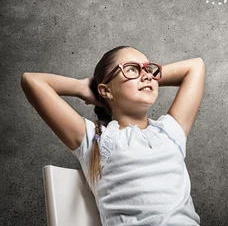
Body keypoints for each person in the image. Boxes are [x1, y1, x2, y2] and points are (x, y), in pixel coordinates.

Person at [21, 46, 206, 225]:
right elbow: (32, 81)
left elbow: (196, 66)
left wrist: (144, 79)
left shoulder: (170, 130)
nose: (148, 75)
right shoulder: (95, 139)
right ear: (106, 90)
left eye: (149, 69)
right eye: (132, 69)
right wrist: (82, 87)